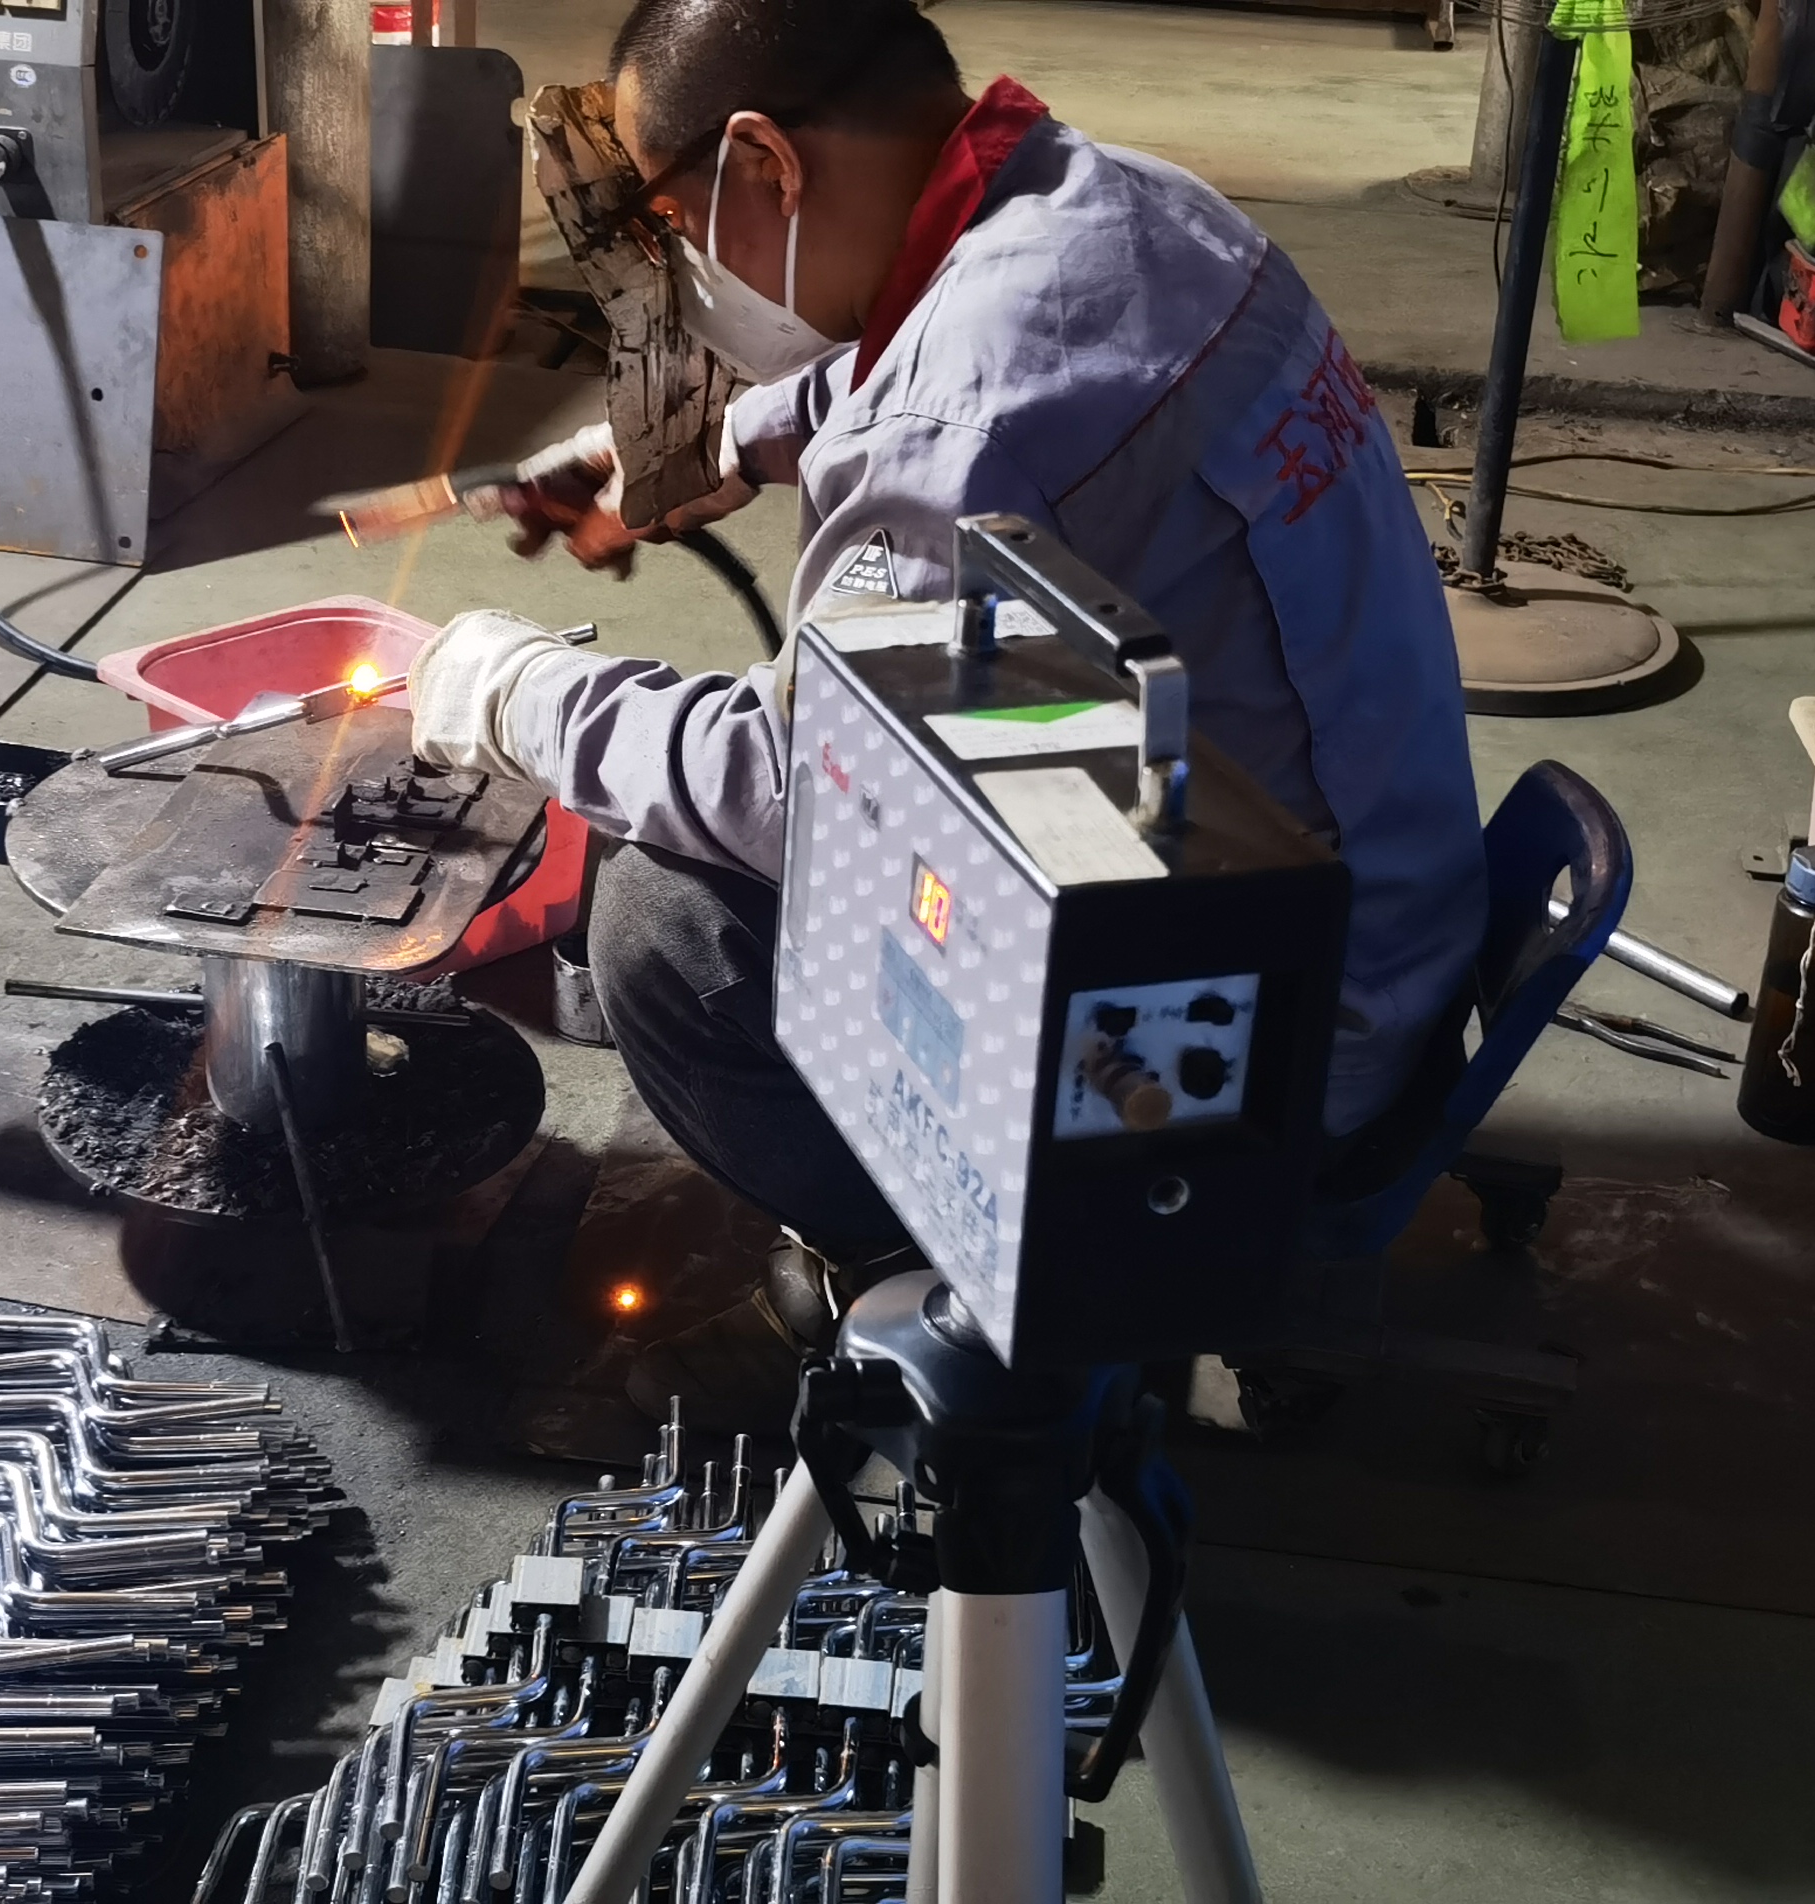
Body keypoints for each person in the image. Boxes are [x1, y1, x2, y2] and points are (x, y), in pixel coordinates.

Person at [406, 0, 1487, 1415]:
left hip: (1249, 1062)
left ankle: (953, 1295)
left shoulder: (955, 432)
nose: (679, 266)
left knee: (664, 923)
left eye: (673, 221)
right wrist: (719, 438)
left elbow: (801, 787)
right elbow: (962, 361)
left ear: (767, 164)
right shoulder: (1131, 206)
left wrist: (518, 693)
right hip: (1393, 919)